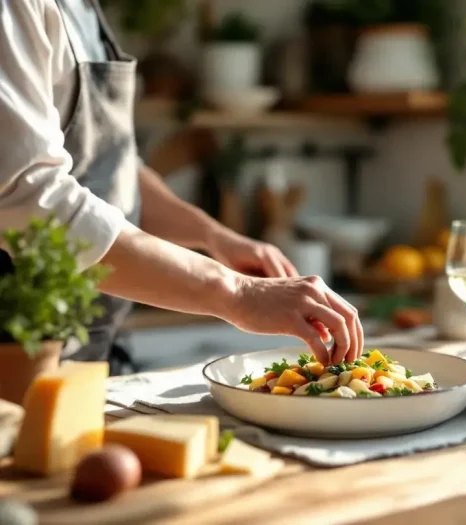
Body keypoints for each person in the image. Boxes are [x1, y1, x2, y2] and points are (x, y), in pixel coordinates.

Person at [0, 0, 362, 371]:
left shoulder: (84, 9)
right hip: (21, 361)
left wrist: (212, 236)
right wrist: (236, 292)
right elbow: (33, 199)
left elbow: (114, 170)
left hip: (93, 353)